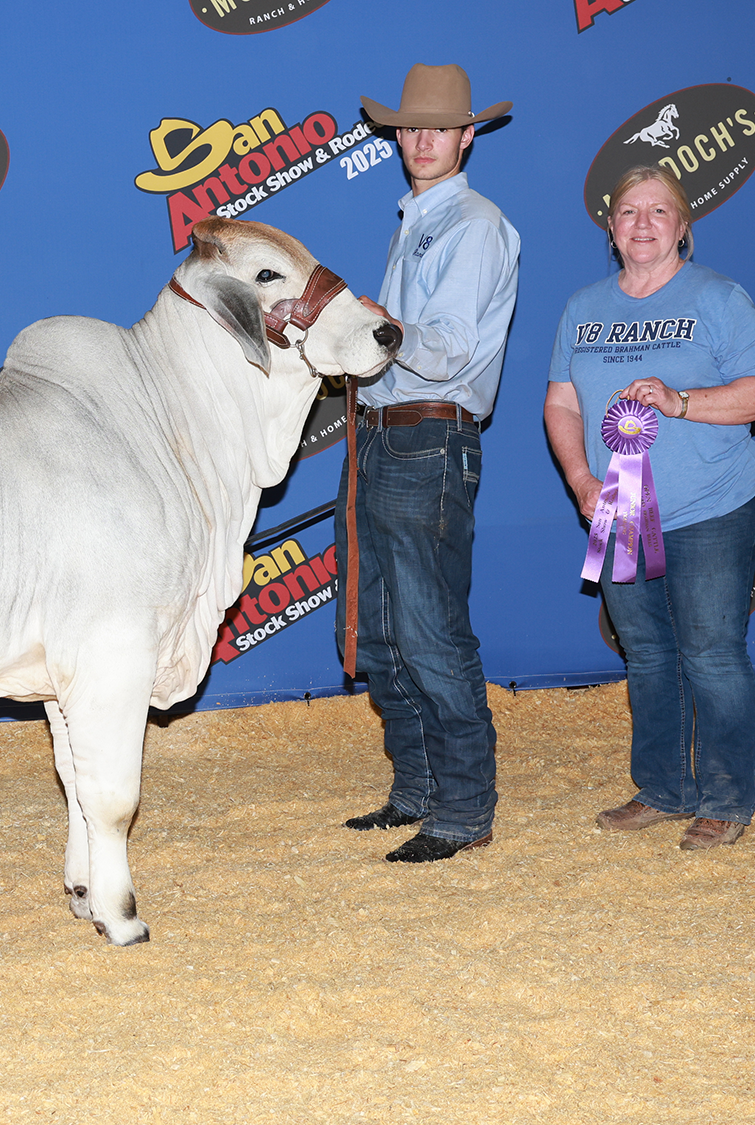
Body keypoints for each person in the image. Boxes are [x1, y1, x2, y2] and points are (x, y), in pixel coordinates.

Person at [544, 165, 755, 850]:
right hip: (618, 503)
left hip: (711, 505)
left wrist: (681, 403)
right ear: (611, 230)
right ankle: (663, 787)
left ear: (683, 226)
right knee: (647, 652)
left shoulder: (718, 297)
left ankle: (726, 797)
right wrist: (583, 478)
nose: (642, 223)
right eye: (627, 212)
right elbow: (562, 402)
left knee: (710, 651)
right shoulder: (583, 308)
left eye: (658, 211)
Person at [338, 64, 520, 863]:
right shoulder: (417, 220)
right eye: (410, 127)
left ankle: (464, 808)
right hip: (384, 433)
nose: (420, 139)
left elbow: (443, 350)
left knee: (428, 629)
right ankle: (416, 788)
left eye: (437, 128)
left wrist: (381, 326)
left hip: (427, 436)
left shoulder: (474, 225)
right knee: (380, 627)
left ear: (466, 136)